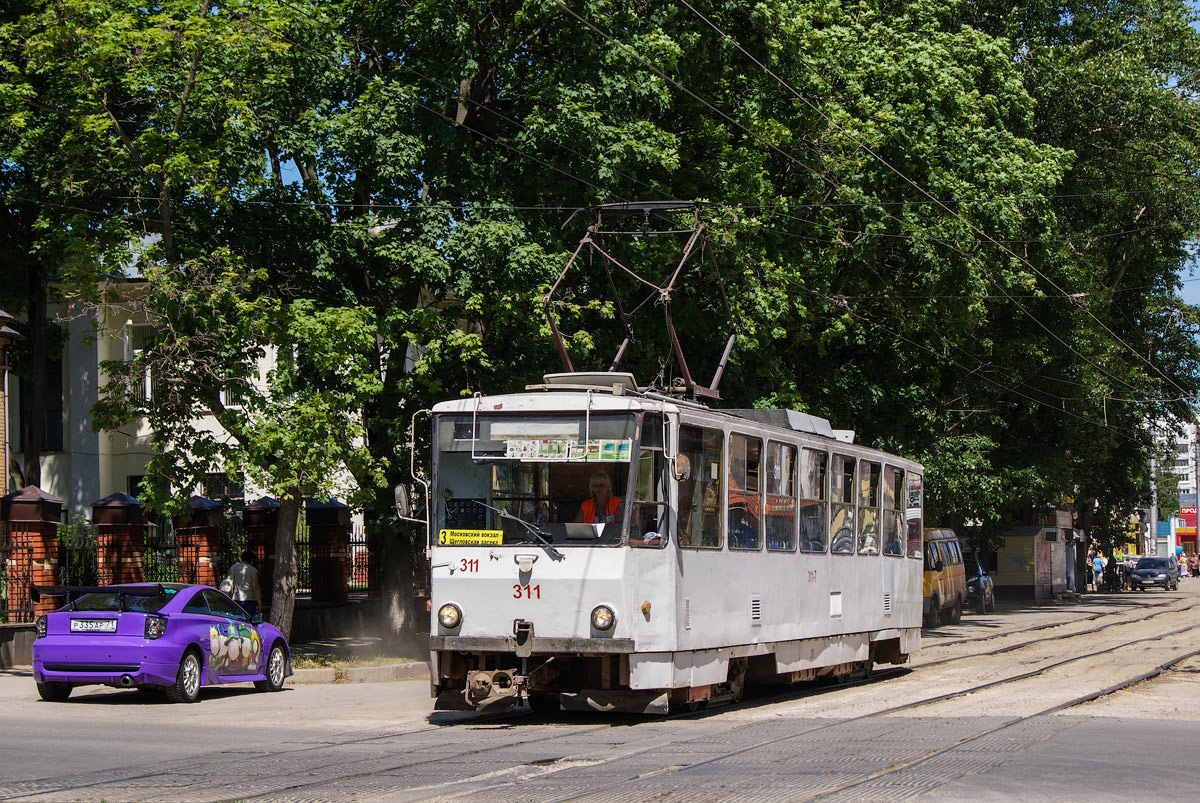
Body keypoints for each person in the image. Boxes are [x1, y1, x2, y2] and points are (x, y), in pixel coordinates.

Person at [223, 548, 263, 617]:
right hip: (250, 600)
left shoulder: (234, 567)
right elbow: (256, 588)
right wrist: (259, 604)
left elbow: (228, 581)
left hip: (236, 598)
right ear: (252, 560)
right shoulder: (253, 570)